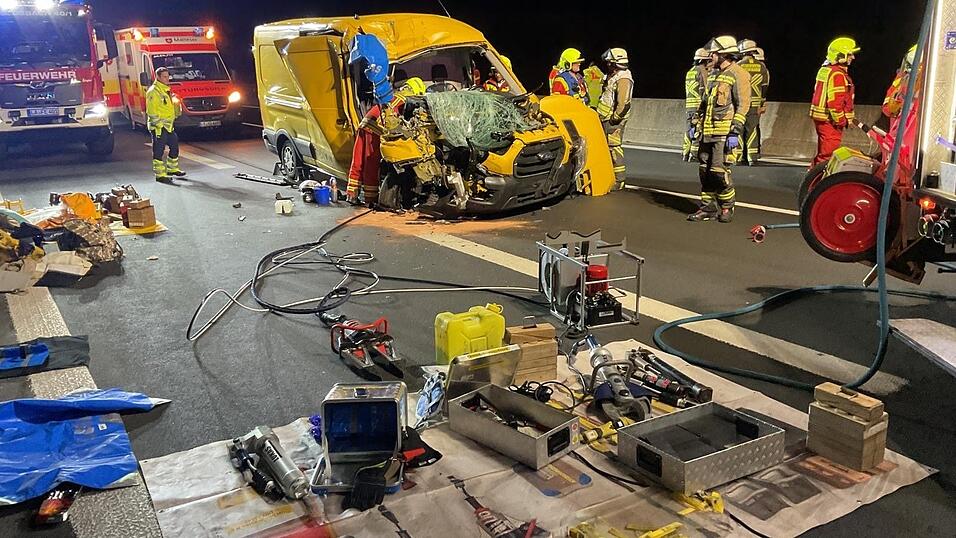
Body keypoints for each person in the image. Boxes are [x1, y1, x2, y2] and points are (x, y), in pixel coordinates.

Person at [688, 35, 750, 223]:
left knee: (718, 170)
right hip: (707, 131)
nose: (711, 56)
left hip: (724, 132)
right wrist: (695, 122)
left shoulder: (738, 74)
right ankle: (707, 208)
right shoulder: (714, 74)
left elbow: (743, 104)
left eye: (714, 53)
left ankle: (727, 206)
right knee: (704, 170)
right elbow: (706, 102)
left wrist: (735, 130)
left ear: (724, 54)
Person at [346, 77, 427, 206]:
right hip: (376, 128)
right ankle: (370, 199)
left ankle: (352, 193)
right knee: (372, 163)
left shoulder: (396, 95)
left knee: (359, 160)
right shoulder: (409, 101)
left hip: (366, 123)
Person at [809, 37, 859, 167]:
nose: (852, 57)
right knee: (827, 154)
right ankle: (819, 182)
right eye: (850, 54)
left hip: (823, 118)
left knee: (823, 150)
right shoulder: (838, 74)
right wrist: (841, 120)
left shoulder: (826, 70)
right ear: (841, 55)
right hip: (830, 120)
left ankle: (813, 177)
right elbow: (835, 103)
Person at [596, 48, 633, 190]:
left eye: (609, 63)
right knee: (608, 148)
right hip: (605, 118)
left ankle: (619, 180)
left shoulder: (623, 78)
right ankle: (610, 176)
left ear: (615, 63)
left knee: (614, 148)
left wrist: (614, 120)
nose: (607, 65)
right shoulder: (614, 76)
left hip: (613, 121)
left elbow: (624, 104)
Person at [145, 67, 184, 181]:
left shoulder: (166, 89)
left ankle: (172, 169)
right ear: (158, 77)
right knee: (159, 150)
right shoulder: (153, 91)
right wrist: (159, 125)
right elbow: (151, 111)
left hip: (168, 126)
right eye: (165, 77)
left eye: (168, 76)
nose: (167, 79)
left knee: (174, 147)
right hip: (158, 127)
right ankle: (160, 175)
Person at [736, 39, 770, 165]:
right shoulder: (762, 67)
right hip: (755, 104)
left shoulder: (738, 66)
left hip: (741, 103)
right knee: (752, 130)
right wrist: (762, 103)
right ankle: (752, 158)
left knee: (739, 129)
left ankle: (738, 158)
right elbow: (765, 86)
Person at [682, 48, 711, 162]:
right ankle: (694, 154)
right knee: (698, 130)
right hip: (698, 105)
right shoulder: (702, 71)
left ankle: (685, 153)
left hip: (689, 105)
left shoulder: (690, 71)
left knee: (689, 129)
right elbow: (704, 89)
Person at [882, 44, 917, 120]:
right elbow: (887, 107)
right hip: (899, 121)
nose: (906, 69)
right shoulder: (901, 78)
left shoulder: (918, 83)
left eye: (909, 65)